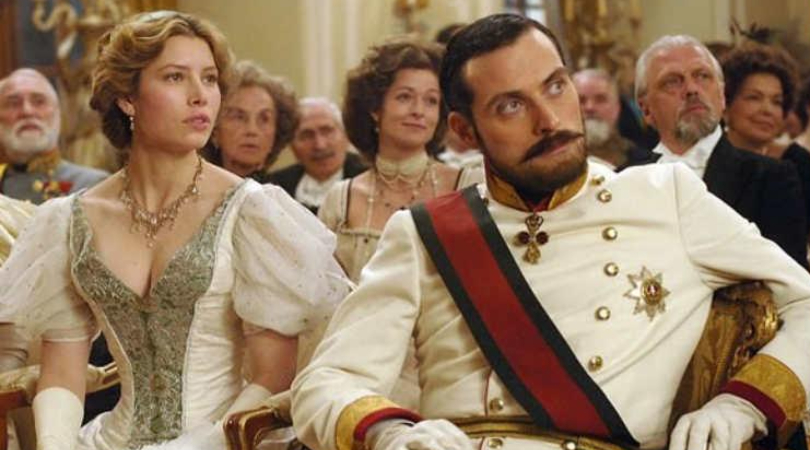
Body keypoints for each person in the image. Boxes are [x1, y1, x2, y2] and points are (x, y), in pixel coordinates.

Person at [291, 13, 810, 450]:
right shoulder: (423, 234)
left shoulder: (665, 196)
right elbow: (328, 379)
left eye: (556, 87)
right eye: (511, 105)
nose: (549, 120)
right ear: (466, 132)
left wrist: (744, 404)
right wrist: (390, 433)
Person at [0, 11, 347, 450]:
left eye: (209, 79)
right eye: (175, 77)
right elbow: (62, 375)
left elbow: (272, 377)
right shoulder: (69, 220)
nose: (200, 96)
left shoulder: (251, 211)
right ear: (128, 98)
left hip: (224, 441)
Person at [624, 35, 807, 267]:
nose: (691, 89)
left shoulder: (771, 178)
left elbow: (789, 277)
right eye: (672, 81)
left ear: (721, 96)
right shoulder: (624, 182)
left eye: (702, 76)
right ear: (646, 110)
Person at [719, 42, 810, 238]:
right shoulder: (708, 158)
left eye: (777, 102)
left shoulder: (799, 163)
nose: (767, 110)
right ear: (725, 106)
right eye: (754, 98)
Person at [0, 68, 108, 204]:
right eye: (13, 103)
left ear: (58, 113)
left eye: (39, 101)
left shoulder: (96, 185)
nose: (27, 111)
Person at [266, 97, 366, 214]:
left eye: (327, 131)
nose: (320, 145)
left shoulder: (372, 180)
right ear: (291, 145)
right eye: (306, 135)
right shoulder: (274, 187)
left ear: (346, 135)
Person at [205, 59, 299, 181]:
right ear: (214, 130)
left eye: (264, 119)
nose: (252, 130)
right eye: (239, 117)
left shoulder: (283, 193)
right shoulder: (190, 189)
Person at [573, 69, 651, 170]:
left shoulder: (645, 163)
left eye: (600, 99)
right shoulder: (556, 162)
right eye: (581, 100)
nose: (590, 107)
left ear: (617, 107)